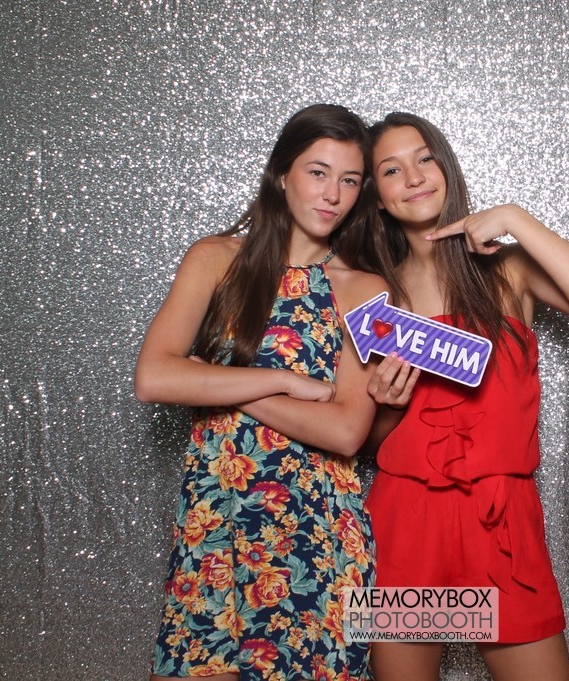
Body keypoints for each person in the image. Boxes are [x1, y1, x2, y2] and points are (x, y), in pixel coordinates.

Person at [362, 113, 569, 681]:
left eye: (424, 158)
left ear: (446, 167)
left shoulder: (507, 271)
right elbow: (368, 439)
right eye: (391, 169)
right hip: (408, 519)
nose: (414, 177)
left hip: (502, 520)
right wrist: (385, 404)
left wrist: (513, 218)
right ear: (377, 196)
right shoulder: (375, 294)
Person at [134, 104, 391, 681]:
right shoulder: (214, 259)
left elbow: (347, 429)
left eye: (350, 180)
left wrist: (213, 381)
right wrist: (283, 381)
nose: (333, 194)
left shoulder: (366, 289)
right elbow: (155, 378)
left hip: (315, 532)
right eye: (318, 172)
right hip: (216, 522)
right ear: (281, 174)